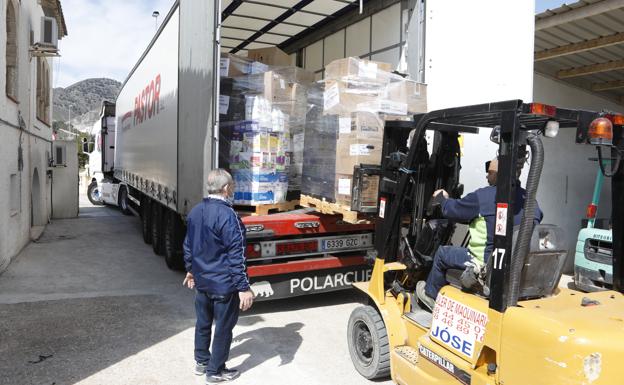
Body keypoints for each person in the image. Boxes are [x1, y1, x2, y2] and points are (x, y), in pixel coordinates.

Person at [416, 157, 542, 310]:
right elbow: (536, 217)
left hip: (484, 263)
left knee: (442, 253)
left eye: (489, 172)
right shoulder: (529, 200)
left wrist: (442, 198)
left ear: (498, 174)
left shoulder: (484, 196)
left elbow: (452, 210)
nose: (487, 176)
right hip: (516, 265)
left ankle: (430, 296)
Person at [183, 169, 255, 384]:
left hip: (202, 282)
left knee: (203, 322)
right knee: (223, 327)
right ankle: (215, 371)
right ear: (225, 189)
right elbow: (237, 255)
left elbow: (188, 245)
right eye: (231, 186)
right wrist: (243, 287)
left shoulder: (196, 211)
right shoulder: (229, 216)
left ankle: (202, 361)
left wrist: (190, 270)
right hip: (223, 285)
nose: (232, 189)